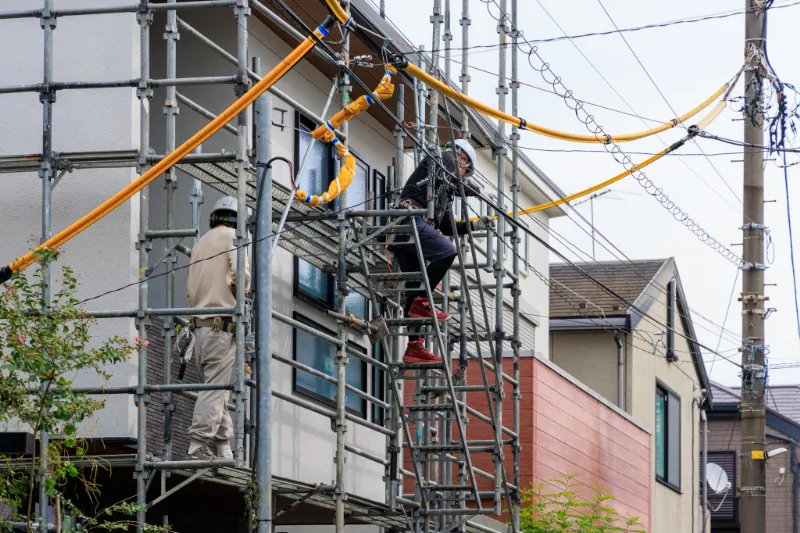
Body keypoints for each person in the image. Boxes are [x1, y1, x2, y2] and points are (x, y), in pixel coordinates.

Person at [391, 139, 492, 364]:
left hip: (408, 231)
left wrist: (474, 226)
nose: (462, 167)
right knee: (447, 252)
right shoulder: (440, 159)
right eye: (463, 163)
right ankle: (421, 301)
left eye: (464, 165)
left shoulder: (444, 192)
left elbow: (447, 226)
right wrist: (475, 191)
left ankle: (414, 346)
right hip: (409, 220)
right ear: (457, 155)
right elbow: (452, 171)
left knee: (415, 287)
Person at [185, 195, 250, 461]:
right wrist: (242, 292)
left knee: (215, 387)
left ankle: (223, 447)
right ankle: (198, 443)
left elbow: (190, 290)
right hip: (221, 326)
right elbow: (241, 275)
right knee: (215, 388)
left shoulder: (200, 244)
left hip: (200, 328)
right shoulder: (233, 238)